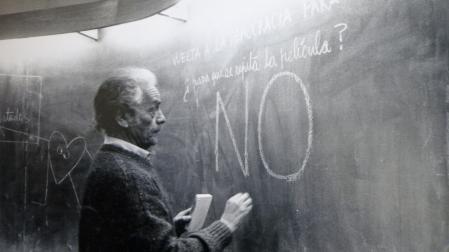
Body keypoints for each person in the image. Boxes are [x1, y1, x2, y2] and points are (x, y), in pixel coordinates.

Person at [79, 67, 252, 252]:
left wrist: (165, 227)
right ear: (123, 117)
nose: (162, 118)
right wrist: (225, 225)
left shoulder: (108, 160)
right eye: (152, 109)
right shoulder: (128, 176)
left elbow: (124, 239)